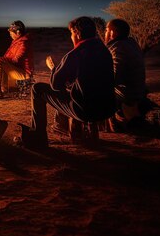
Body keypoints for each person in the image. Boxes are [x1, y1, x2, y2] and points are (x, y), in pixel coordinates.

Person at [19, 16, 115, 149]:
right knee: (74, 91)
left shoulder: (76, 54)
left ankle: (38, 136)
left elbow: (55, 85)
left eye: (71, 33)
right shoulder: (104, 51)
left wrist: (53, 68)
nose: (71, 37)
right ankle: (69, 128)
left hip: (86, 110)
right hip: (107, 108)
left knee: (37, 88)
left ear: (76, 33)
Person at [104, 18, 150, 129]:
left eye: (106, 30)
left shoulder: (118, 48)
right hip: (139, 90)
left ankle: (120, 118)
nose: (104, 33)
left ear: (112, 32)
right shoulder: (131, 43)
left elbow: (116, 77)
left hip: (127, 94)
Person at [0, 21, 34, 99]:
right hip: (18, 70)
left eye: (11, 32)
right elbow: (6, 58)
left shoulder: (23, 44)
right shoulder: (17, 42)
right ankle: (5, 88)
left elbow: (14, 61)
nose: (10, 34)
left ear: (18, 32)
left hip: (24, 74)